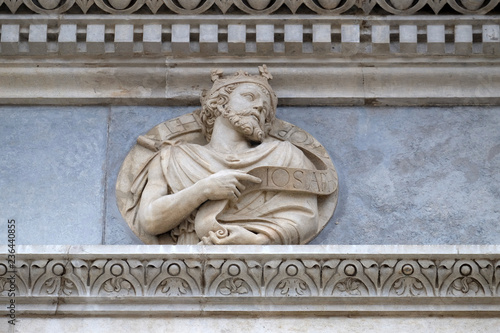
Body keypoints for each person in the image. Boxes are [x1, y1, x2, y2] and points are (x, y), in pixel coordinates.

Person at [135, 66, 320, 245]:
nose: (259, 107)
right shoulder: (173, 158)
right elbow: (150, 220)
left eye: (265, 108)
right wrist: (203, 190)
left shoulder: (285, 155)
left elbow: (305, 216)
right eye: (249, 97)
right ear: (219, 103)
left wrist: (259, 240)